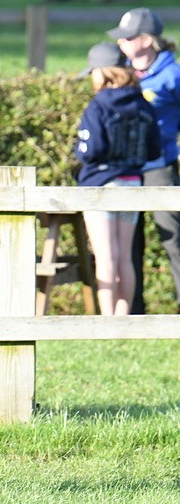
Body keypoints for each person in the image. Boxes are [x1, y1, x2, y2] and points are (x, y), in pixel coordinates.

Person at [74, 42, 160, 316]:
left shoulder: (98, 106)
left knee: (106, 256)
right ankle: (124, 318)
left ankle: (108, 318)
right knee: (125, 256)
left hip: (101, 186)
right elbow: (154, 149)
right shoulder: (142, 103)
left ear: (103, 72)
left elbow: (91, 150)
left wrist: (80, 147)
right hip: (132, 184)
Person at [107, 8, 180, 312]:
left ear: (148, 40)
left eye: (129, 36)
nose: (121, 42)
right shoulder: (119, 69)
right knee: (127, 242)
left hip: (160, 166)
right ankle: (132, 312)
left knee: (173, 236)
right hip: (126, 167)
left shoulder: (173, 74)